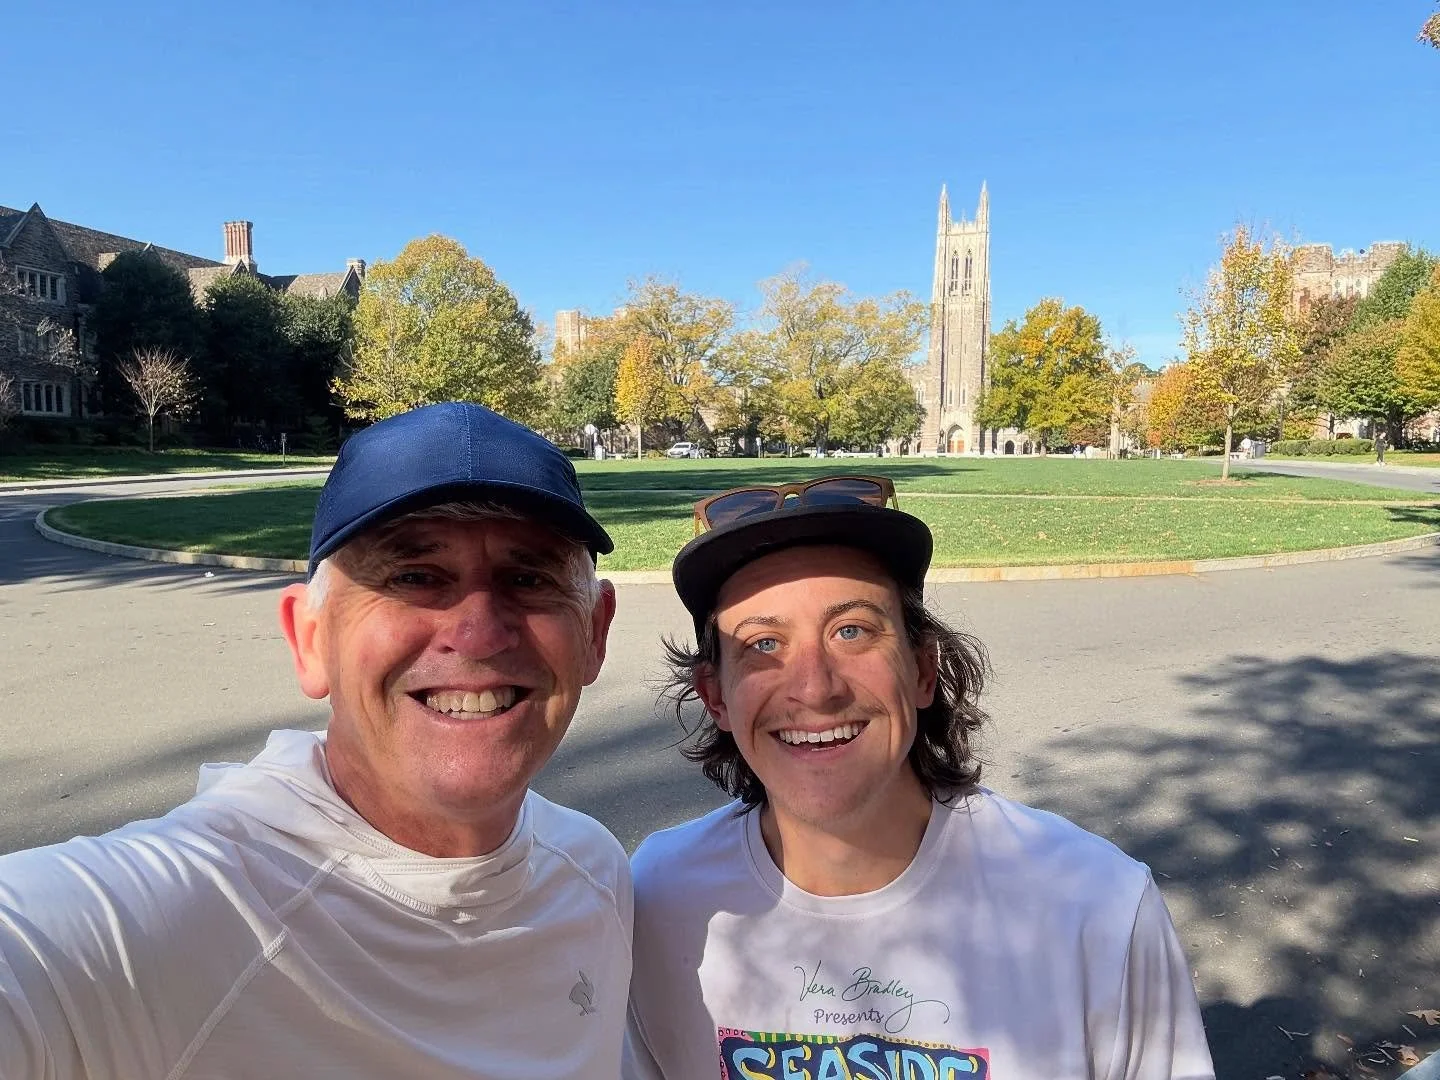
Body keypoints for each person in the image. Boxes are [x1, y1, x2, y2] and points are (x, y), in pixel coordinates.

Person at [0, 402, 631, 1079]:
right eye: (413, 577)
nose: (477, 634)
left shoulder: (595, 870)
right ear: (310, 640)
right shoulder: (180, 915)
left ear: (594, 634)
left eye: (530, 579)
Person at [625, 475, 1215, 1080]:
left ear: (923, 671)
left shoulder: (1093, 904)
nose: (815, 686)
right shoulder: (658, 900)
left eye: (851, 631)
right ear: (716, 697)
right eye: (764, 643)